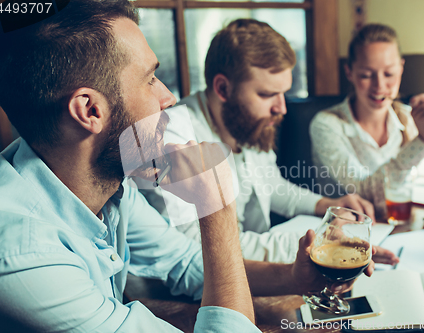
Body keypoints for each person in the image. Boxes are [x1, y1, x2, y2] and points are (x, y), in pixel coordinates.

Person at [0, 1, 371, 331]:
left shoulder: (106, 185)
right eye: (150, 79)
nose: (169, 97)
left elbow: (186, 264)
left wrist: (295, 276)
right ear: (90, 110)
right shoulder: (25, 256)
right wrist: (216, 207)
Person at [139, 19, 397, 265]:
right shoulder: (170, 139)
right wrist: (321, 242)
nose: (281, 108)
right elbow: (199, 250)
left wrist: (327, 205)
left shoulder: (246, 123)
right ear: (223, 89)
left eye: (283, 93)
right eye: (267, 94)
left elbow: (271, 186)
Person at [310, 23, 424, 220]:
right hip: (345, 232)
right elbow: (365, 191)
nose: (380, 86)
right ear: (350, 73)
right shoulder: (326, 125)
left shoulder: (407, 118)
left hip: (401, 227)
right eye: (366, 75)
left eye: (389, 74)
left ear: (401, 68)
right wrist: (423, 141)